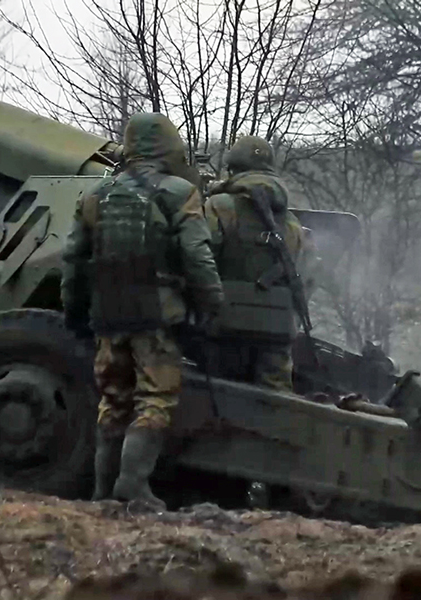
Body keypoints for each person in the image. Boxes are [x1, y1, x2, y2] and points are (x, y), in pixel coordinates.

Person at [61, 113, 224, 510]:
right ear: (168, 146)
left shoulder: (95, 196)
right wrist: (211, 303)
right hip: (156, 316)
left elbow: (73, 260)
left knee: (113, 399)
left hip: (107, 314)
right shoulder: (179, 192)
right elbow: (197, 255)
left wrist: (74, 312)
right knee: (155, 397)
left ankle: (102, 492)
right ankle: (133, 486)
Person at [203, 135, 318, 392]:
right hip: (277, 339)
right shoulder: (293, 224)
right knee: (275, 405)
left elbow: (199, 260)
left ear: (233, 170)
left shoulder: (219, 207)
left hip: (223, 332)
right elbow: (307, 280)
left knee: (220, 402)